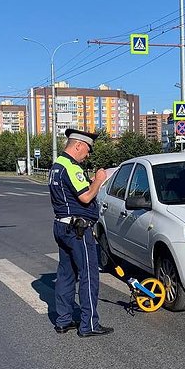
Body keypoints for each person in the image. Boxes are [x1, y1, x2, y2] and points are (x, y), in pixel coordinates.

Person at [48, 128, 112, 337]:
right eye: (87, 149)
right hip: (78, 229)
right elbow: (85, 197)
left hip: (62, 226)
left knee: (66, 275)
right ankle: (89, 325)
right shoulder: (71, 167)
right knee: (88, 274)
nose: (88, 154)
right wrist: (99, 180)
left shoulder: (56, 166)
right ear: (78, 146)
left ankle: (63, 320)